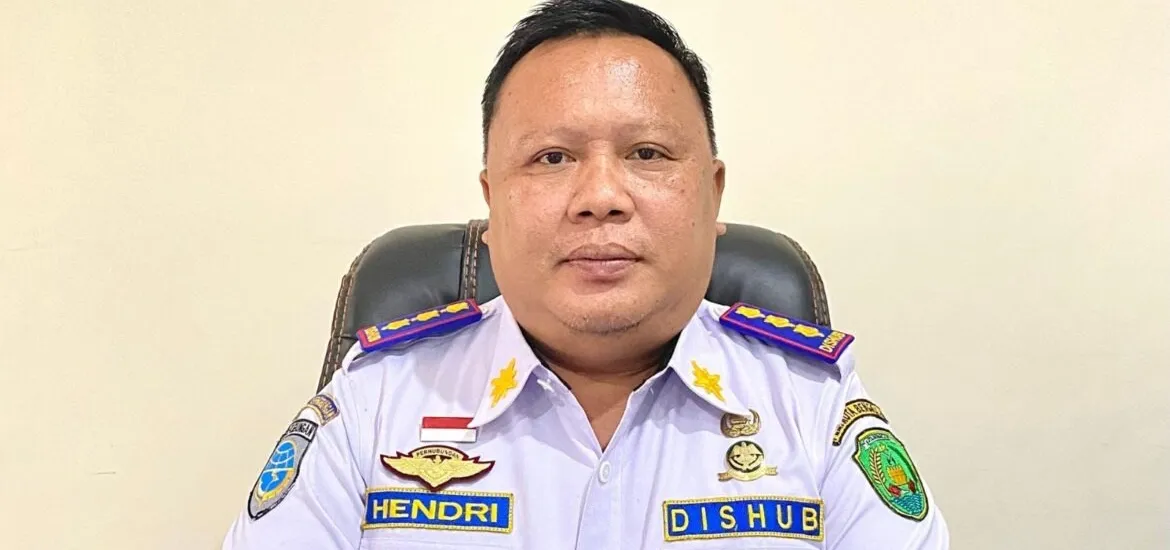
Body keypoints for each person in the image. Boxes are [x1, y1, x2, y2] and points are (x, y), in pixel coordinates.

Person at [223, 0, 950, 547]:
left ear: (713, 195)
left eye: (647, 154)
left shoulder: (813, 407)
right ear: (492, 204)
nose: (601, 196)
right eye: (552, 158)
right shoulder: (375, 399)